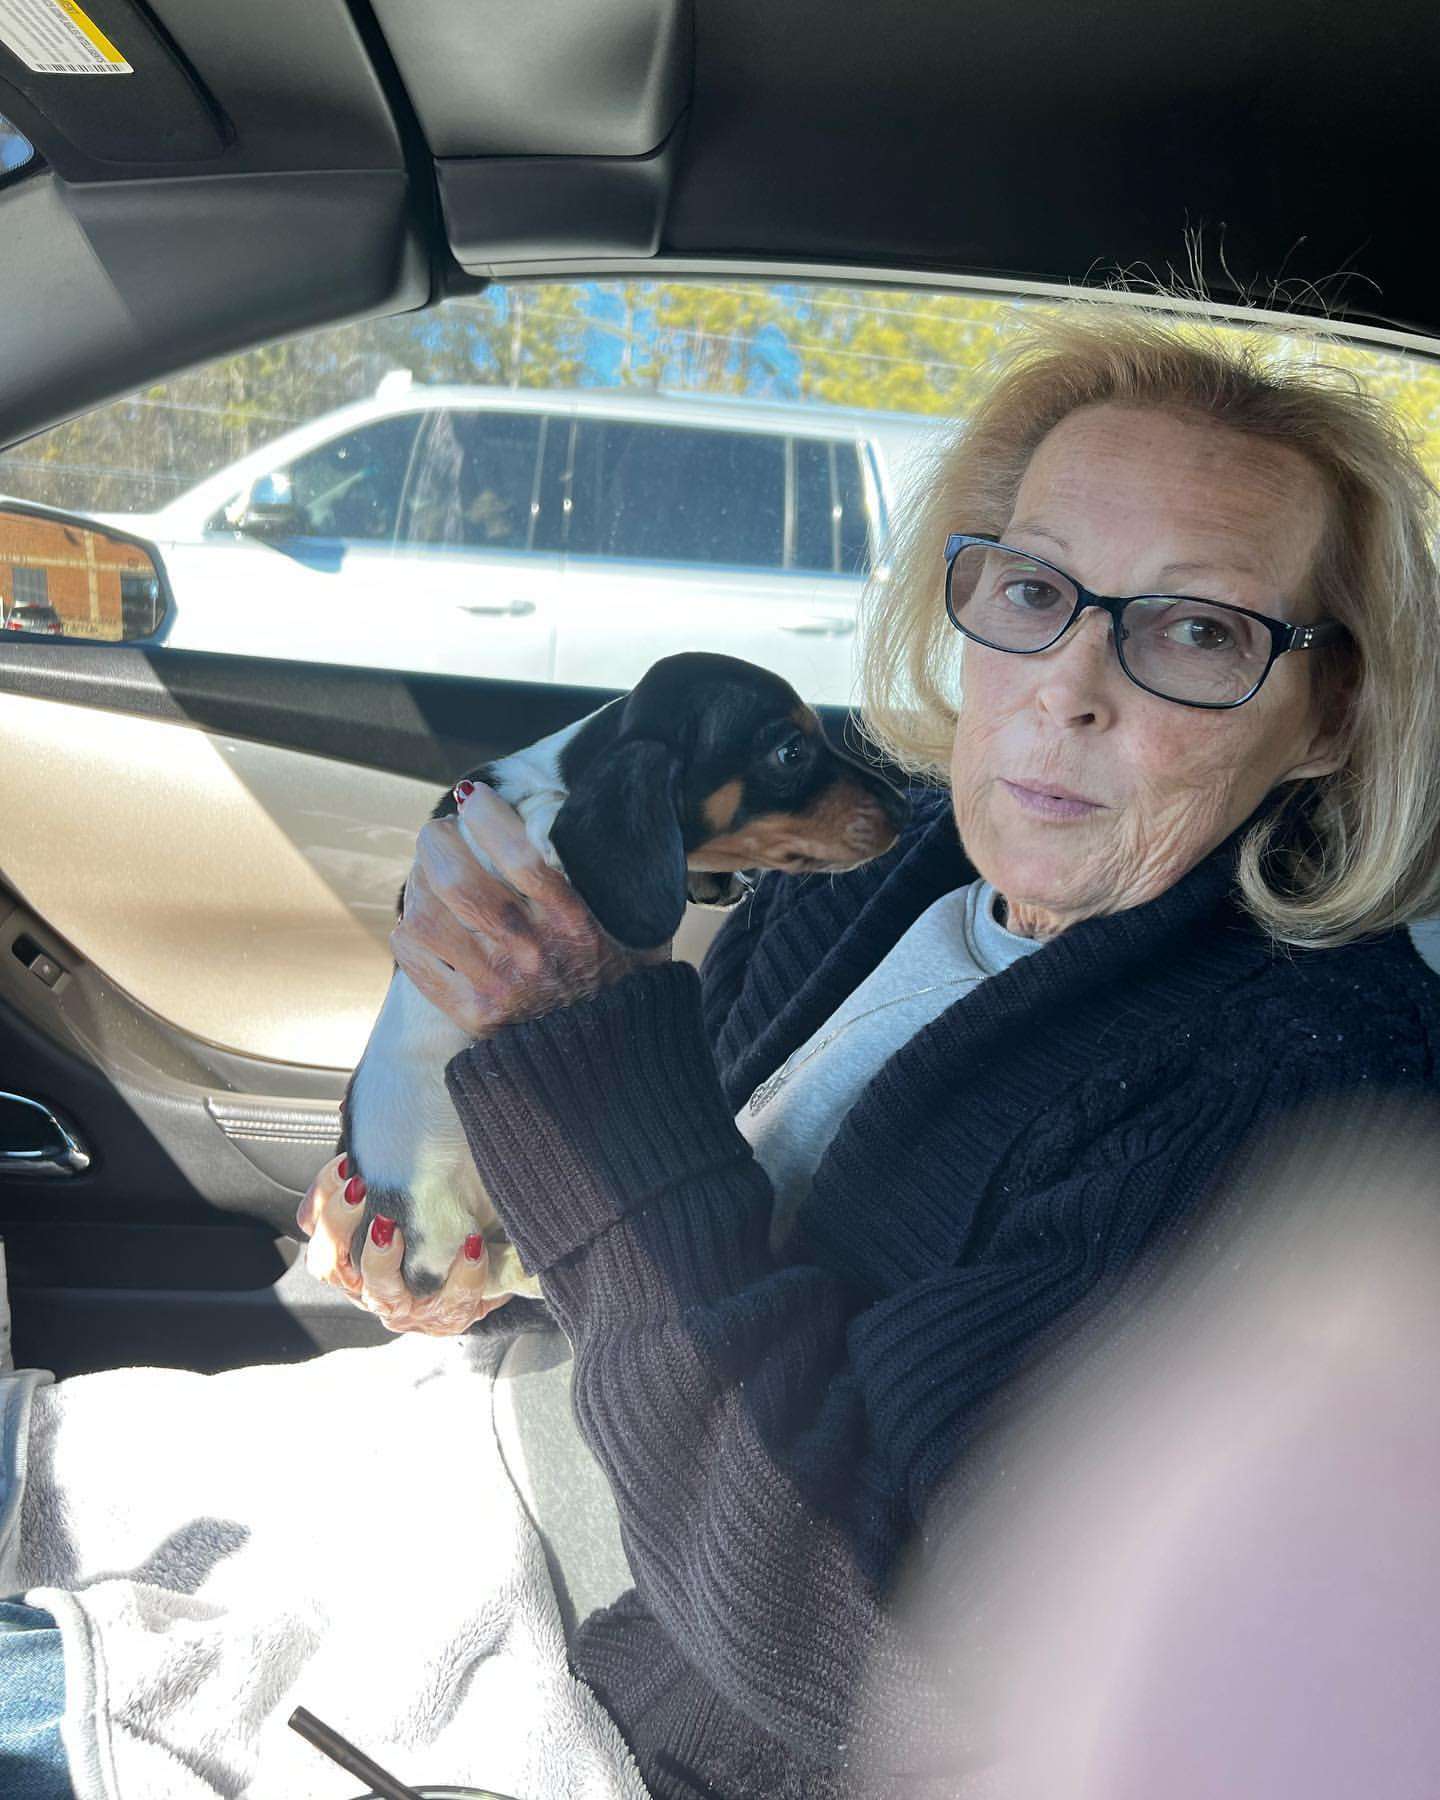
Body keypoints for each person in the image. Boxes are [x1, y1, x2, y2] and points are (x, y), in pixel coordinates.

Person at [9, 306, 1440, 1797]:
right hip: (497, 1449)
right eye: (1032, 590)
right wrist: (465, 1220)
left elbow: (889, 1661)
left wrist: (579, 1047)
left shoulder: (1299, 1088)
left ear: (1330, 711)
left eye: (1194, 631)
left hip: (604, 1688)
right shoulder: (908, 865)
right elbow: (691, 1206)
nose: (1068, 685)